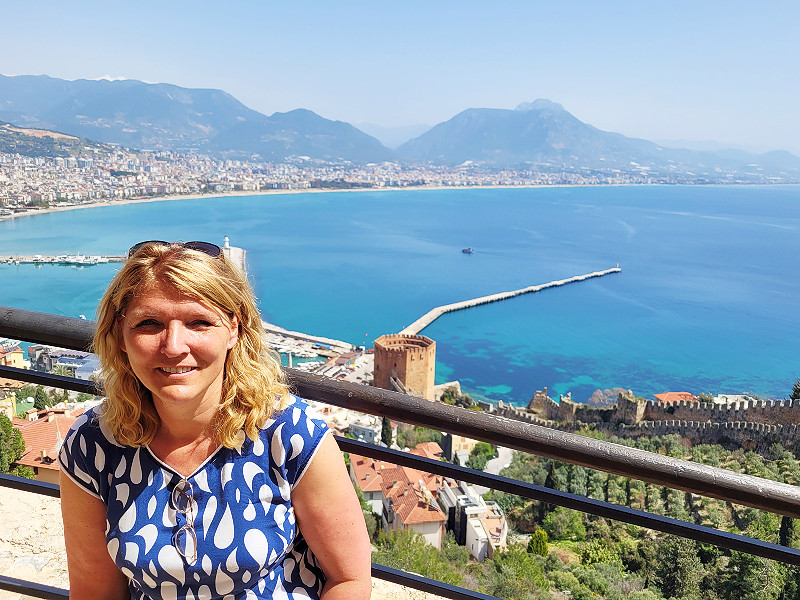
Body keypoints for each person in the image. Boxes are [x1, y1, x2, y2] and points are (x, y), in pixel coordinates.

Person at [58, 240, 371, 600]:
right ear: (121, 336)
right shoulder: (93, 444)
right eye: (149, 323)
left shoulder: (290, 435)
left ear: (233, 330)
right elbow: (94, 591)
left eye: (199, 322)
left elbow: (350, 580)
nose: (174, 346)